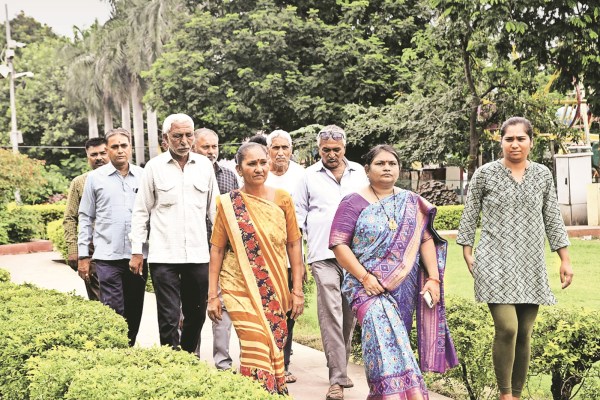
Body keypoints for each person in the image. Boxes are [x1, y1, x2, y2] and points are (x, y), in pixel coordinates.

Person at [457, 116, 574, 400]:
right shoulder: (485, 174)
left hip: (530, 262)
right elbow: (470, 213)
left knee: (525, 332)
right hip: (494, 261)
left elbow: (552, 218)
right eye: (509, 139)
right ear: (501, 143)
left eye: (521, 138)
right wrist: (467, 250)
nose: (515, 144)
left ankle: (516, 395)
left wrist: (565, 259)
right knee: (508, 328)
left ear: (531, 142)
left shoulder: (543, 175)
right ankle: (505, 393)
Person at [330, 144, 458, 399]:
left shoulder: (411, 202)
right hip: (364, 286)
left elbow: (425, 240)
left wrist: (433, 278)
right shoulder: (352, 202)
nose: (387, 167)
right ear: (367, 170)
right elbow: (338, 244)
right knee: (382, 337)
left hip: (403, 285)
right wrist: (365, 278)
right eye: (380, 163)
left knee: (397, 342)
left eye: (392, 163)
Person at [207, 142, 305, 395]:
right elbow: (217, 249)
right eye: (252, 164)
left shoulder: (283, 198)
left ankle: (268, 391)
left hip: (274, 286)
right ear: (239, 169)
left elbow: (294, 245)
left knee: (273, 342)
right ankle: (257, 392)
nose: (259, 168)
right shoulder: (227, 204)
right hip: (238, 286)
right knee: (256, 344)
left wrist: (297, 291)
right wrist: (212, 296)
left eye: (263, 162)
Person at [129, 114, 218, 353]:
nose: (184, 141)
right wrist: (137, 251)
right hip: (164, 256)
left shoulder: (204, 166)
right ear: (166, 138)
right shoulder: (154, 167)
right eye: (177, 136)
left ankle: (188, 359)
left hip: (198, 255)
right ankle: (172, 364)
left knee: (197, 314)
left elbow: (215, 212)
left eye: (189, 135)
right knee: (168, 317)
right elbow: (140, 211)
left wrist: (222, 249)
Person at [294, 125, 368, 400]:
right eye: (326, 150)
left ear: (344, 148)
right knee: (331, 315)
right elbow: (298, 214)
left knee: (348, 316)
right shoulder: (308, 176)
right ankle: (337, 378)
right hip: (322, 255)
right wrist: (298, 256)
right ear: (319, 149)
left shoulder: (360, 173)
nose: (331, 155)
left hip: (355, 256)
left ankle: (339, 368)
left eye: (336, 150)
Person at [78, 128, 148, 346]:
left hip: (137, 256)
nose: (120, 151)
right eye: (114, 146)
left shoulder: (144, 176)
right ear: (107, 150)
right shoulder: (95, 179)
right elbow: (85, 216)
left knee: (135, 309)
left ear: (131, 148)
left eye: (124, 146)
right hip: (107, 257)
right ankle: (115, 350)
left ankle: (128, 348)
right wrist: (83, 255)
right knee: (114, 308)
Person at [192, 127, 239, 369]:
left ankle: (223, 363)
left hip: (223, 253)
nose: (211, 152)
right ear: (193, 147)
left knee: (222, 310)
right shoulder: (187, 175)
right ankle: (192, 361)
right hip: (193, 253)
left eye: (214, 147)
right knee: (192, 308)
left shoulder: (229, 176)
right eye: (205, 147)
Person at [265, 129, 306, 383]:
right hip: (264, 254)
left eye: (285, 148)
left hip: (292, 253)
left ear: (291, 150)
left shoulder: (302, 176)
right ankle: (265, 359)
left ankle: (284, 362)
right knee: (266, 307)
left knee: (289, 309)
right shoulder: (259, 173)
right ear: (268, 150)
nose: (281, 152)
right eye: (275, 148)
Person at [63, 137, 109, 301]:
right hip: (91, 248)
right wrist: (73, 250)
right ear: (87, 156)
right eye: (93, 154)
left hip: (119, 247)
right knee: (98, 298)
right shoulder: (80, 182)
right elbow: (70, 217)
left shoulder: (124, 178)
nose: (99, 158)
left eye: (103, 153)